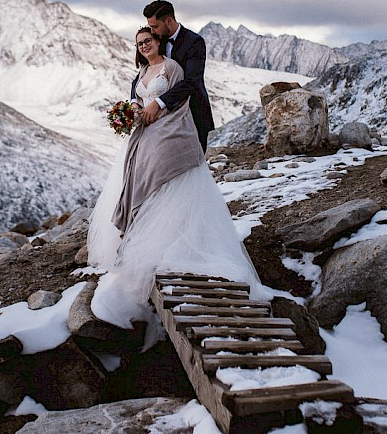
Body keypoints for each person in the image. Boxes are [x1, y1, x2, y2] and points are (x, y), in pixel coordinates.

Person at [88, 27, 269, 337]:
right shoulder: (141, 72)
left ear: (158, 42)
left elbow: (179, 98)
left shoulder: (171, 68)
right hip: (143, 133)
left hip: (166, 129)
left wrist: (157, 112)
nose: (144, 46)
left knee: (158, 169)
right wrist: (130, 112)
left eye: (148, 40)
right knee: (138, 175)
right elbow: (136, 99)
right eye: (140, 44)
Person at [137, 0, 215, 151]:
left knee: (193, 167)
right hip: (164, 121)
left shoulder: (194, 42)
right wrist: (134, 100)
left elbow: (191, 81)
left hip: (193, 114)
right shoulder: (156, 41)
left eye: (155, 26)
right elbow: (143, 72)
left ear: (168, 21)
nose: (152, 31)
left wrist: (158, 103)